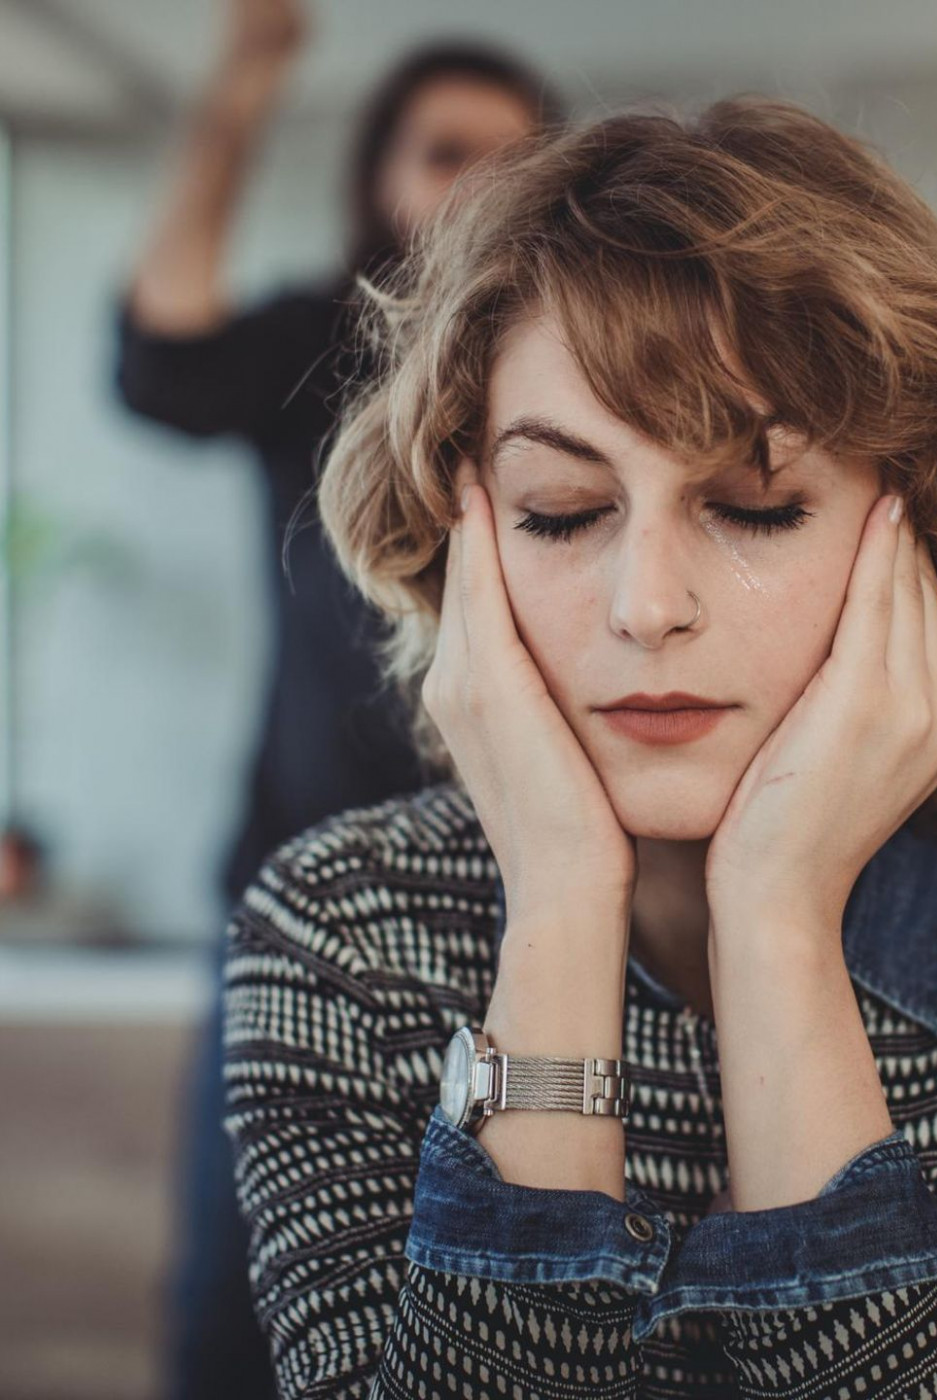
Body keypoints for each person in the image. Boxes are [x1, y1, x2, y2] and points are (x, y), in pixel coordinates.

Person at [221, 97, 937, 1398]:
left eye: (757, 505)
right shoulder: (339, 929)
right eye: (560, 513)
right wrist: (557, 899)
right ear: (463, 540)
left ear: (922, 541)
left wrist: (778, 923)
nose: (646, 604)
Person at [110, 3, 563, 1394]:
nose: (479, 181)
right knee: (245, 1294)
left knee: (505, 1272)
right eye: (445, 151)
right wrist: (243, 87)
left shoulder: (584, 360)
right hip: (298, 902)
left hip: (528, 922)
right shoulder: (321, 344)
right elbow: (159, 352)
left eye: (516, 156)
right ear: (380, 177)